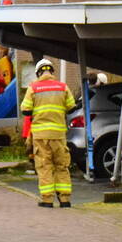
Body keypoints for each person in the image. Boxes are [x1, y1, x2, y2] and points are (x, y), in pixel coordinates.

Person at [21, 59, 76, 208]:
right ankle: (65, 200)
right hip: (58, 136)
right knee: (62, 166)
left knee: (44, 166)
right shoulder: (63, 87)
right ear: (51, 71)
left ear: (38, 72)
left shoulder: (33, 88)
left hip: (41, 136)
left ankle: (47, 200)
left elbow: (25, 110)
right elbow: (71, 107)